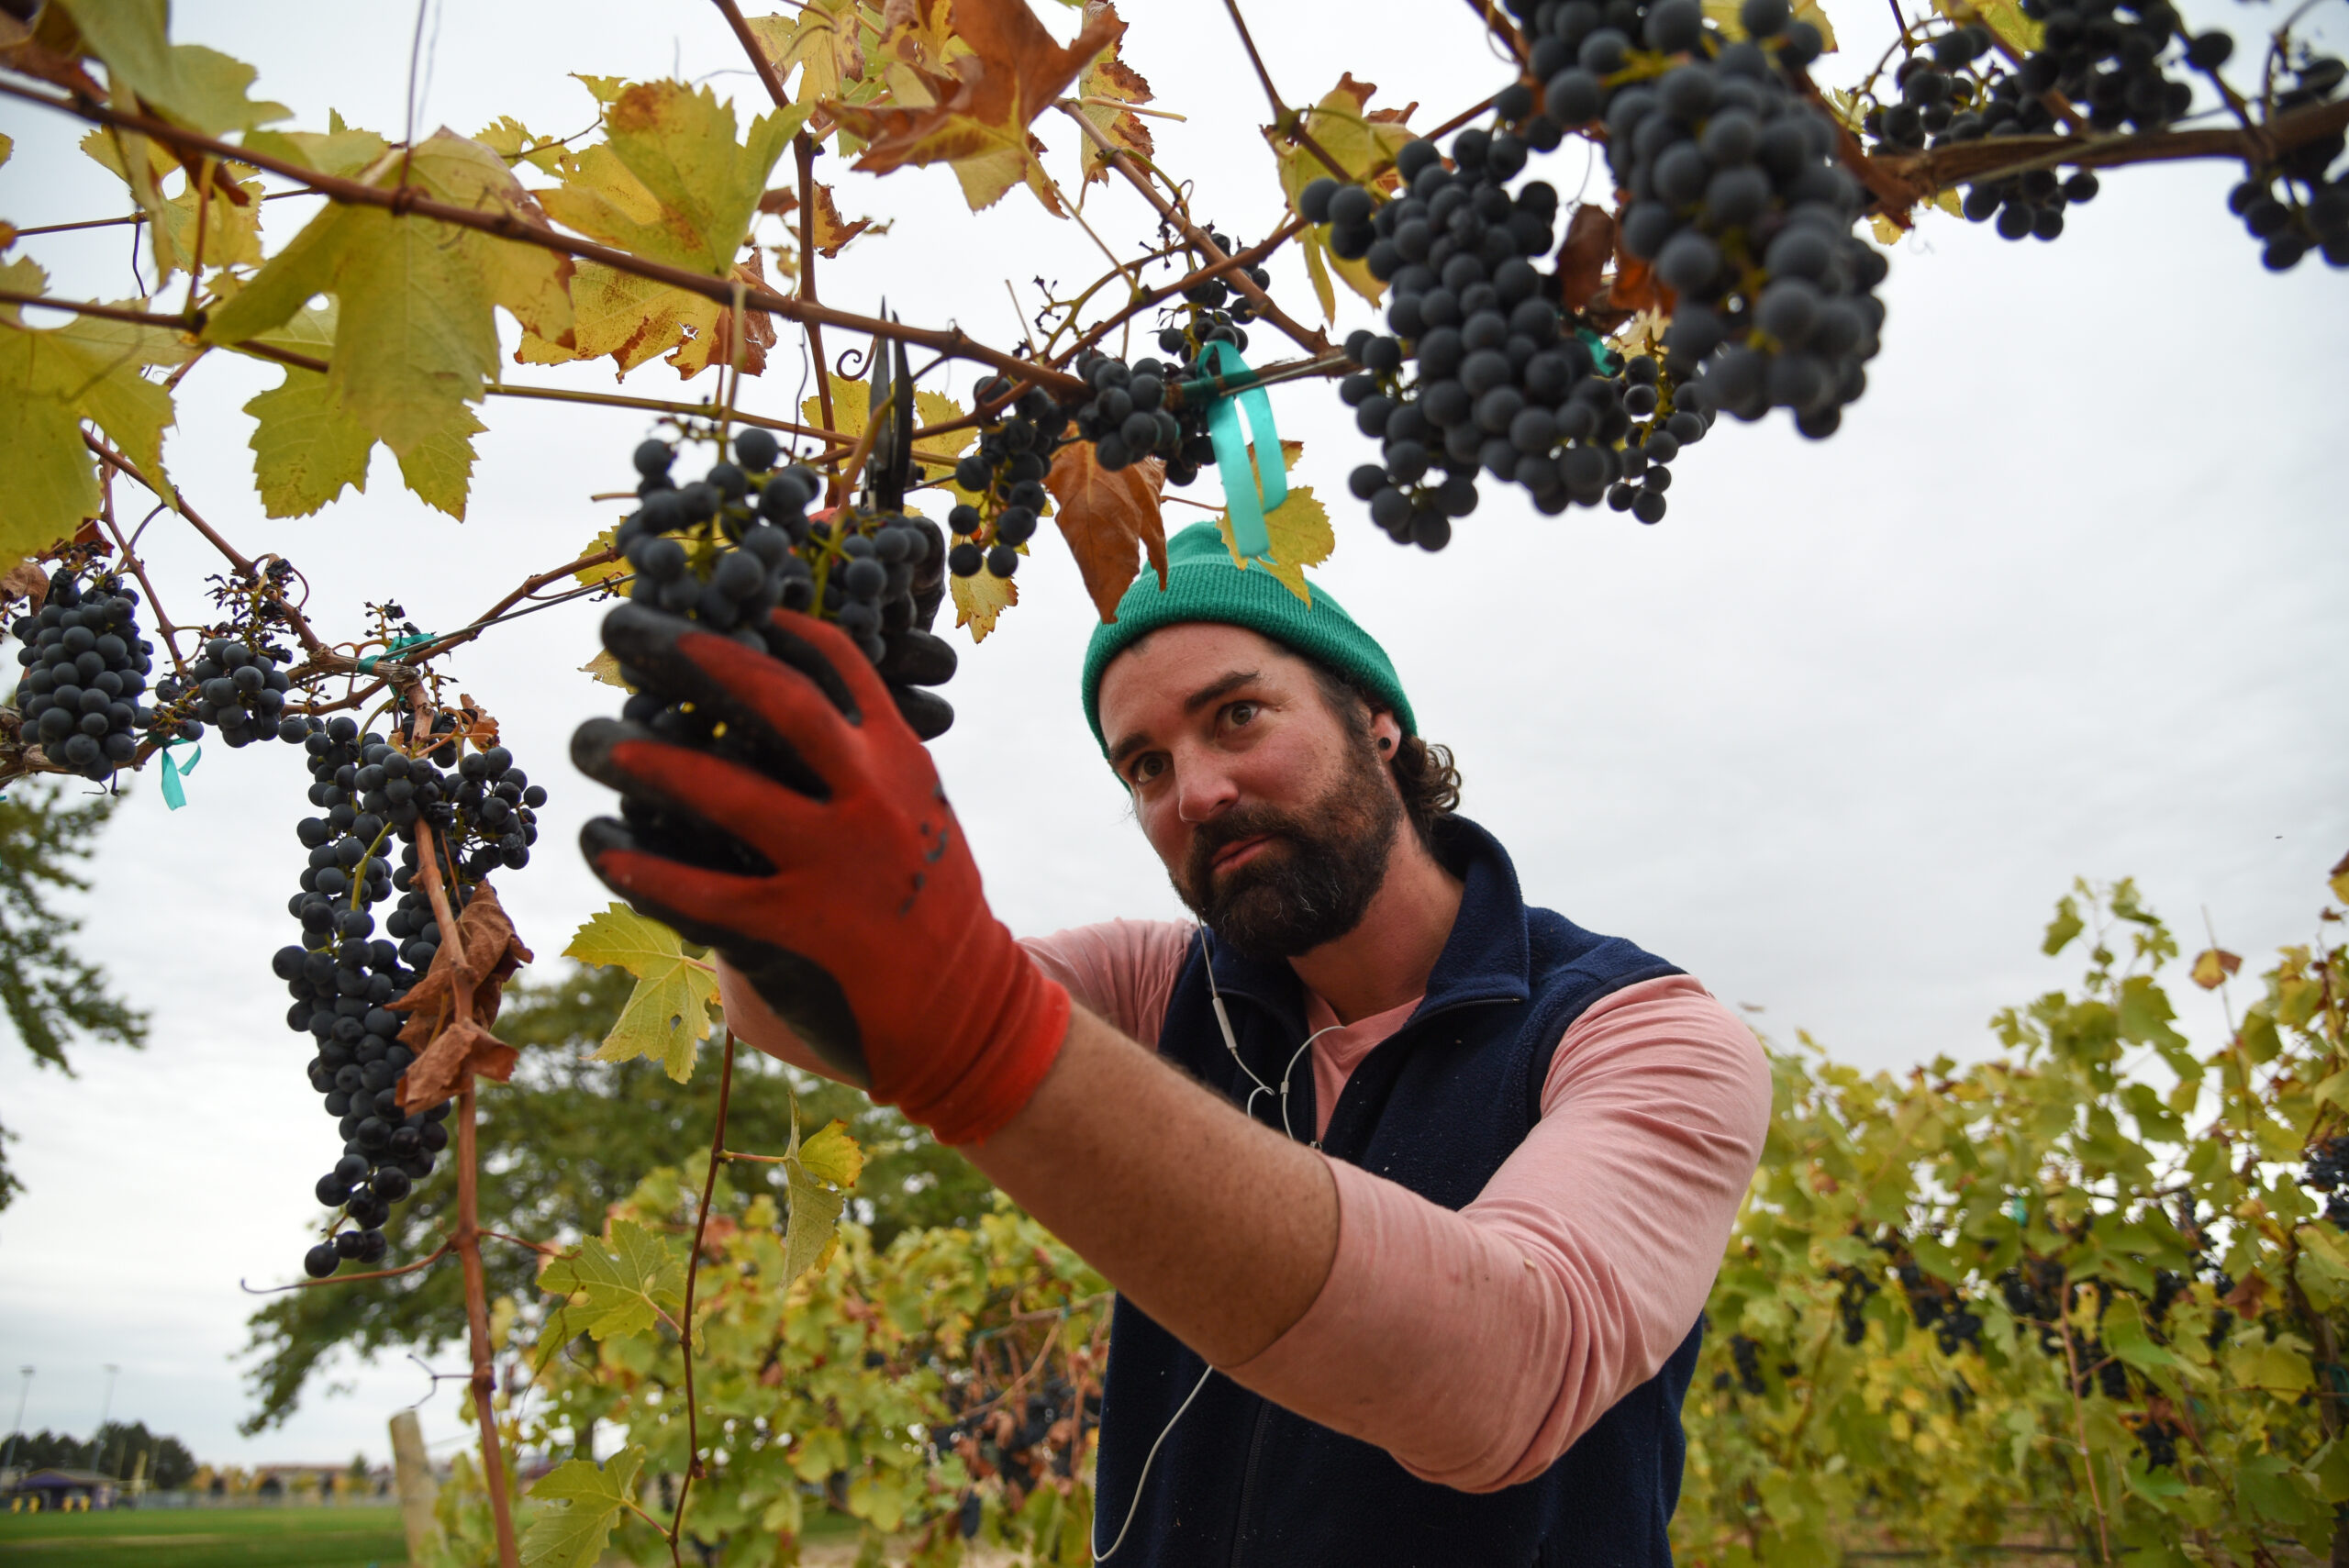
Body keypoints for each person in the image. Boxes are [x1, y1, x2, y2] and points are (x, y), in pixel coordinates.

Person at [571, 521, 1773, 1567]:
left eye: (1236, 715)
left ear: (1377, 720)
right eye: (1146, 763)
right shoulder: (1160, 985)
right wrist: (755, 843)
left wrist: (982, 1034)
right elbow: (821, 1011)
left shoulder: (1640, 1033)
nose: (1192, 791)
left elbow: (1514, 1369)